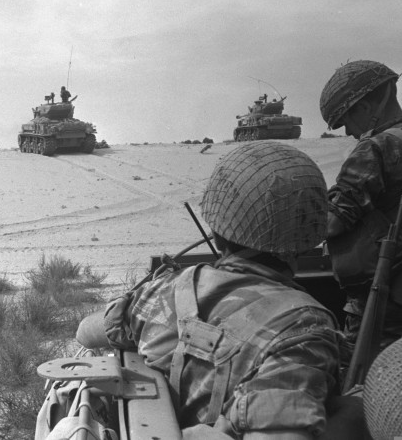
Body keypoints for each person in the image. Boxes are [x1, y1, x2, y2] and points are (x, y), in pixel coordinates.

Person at [76, 141, 350, 439]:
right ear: (308, 239)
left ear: (217, 235)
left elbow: (86, 332)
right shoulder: (306, 328)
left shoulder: (167, 290)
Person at [319, 60, 402, 348]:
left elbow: (331, 222)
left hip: (385, 307)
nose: (347, 133)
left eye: (346, 121)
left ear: (366, 108)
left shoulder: (376, 148)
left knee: (370, 383)